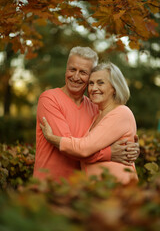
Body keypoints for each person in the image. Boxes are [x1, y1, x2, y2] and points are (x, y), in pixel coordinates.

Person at [34, 46, 139, 182]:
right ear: (66, 70)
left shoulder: (96, 108)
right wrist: (109, 154)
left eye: (83, 72)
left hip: (81, 188)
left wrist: (130, 149)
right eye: (72, 69)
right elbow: (69, 148)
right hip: (51, 183)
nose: (75, 76)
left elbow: (94, 144)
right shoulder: (49, 99)